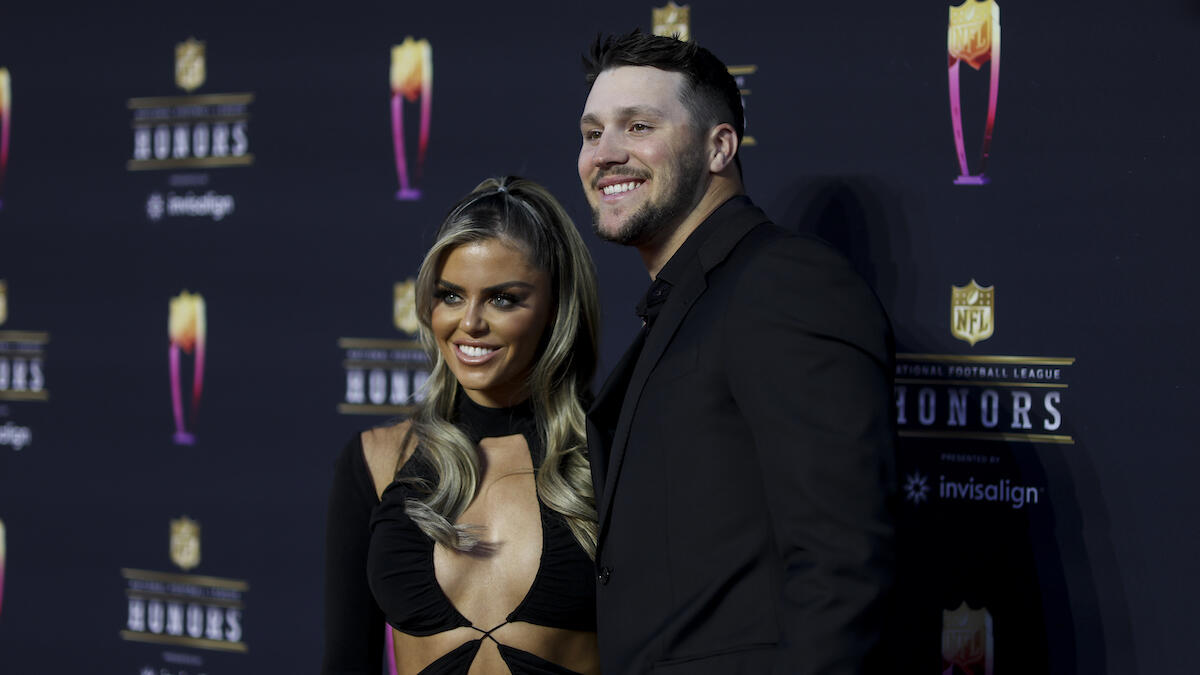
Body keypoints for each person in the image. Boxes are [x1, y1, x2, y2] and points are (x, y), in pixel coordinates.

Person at [577, 31, 896, 674]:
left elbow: (842, 564)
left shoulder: (785, 283)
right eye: (591, 133)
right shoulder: (688, 301)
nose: (605, 153)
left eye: (638, 126)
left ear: (719, 147)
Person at [322, 177, 602, 675]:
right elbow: (346, 662)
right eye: (450, 296)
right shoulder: (377, 459)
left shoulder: (608, 449)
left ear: (556, 308)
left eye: (503, 299)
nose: (469, 322)